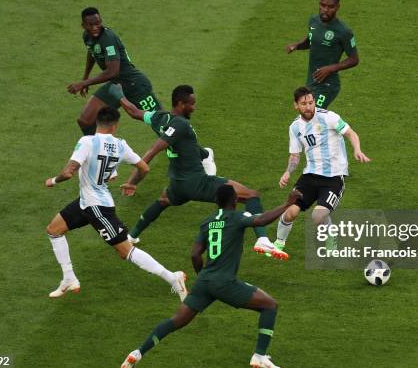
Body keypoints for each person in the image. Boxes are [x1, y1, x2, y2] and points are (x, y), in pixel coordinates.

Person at [119, 185, 302, 368]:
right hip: (224, 282)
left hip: (204, 281)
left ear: (216, 202)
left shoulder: (207, 222)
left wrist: (203, 278)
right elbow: (261, 219)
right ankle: (260, 355)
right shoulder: (237, 217)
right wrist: (287, 203)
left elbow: (195, 255)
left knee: (176, 321)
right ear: (235, 201)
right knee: (270, 305)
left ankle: (138, 352)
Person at [109, 84, 286, 260]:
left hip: (178, 184)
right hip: (198, 182)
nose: (194, 108)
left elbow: (133, 111)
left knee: (163, 200)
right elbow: (154, 150)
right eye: (191, 104)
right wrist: (133, 180)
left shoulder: (159, 118)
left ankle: (131, 236)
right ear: (180, 103)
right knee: (251, 195)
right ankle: (262, 239)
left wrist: (117, 92)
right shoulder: (180, 124)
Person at [44, 107, 187, 300]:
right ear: (115, 126)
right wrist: (132, 183)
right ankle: (69, 278)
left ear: (97, 121)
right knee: (54, 230)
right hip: (86, 203)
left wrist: (53, 180)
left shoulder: (87, 141)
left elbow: (69, 171)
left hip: (97, 208)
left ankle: (173, 278)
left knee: (125, 251)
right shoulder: (120, 145)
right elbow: (144, 168)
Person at [275, 86, 371, 252]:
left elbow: (351, 134)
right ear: (296, 105)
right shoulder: (295, 127)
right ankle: (278, 243)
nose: (308, 106)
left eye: (311, 102)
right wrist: (287, 172)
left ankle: (331, 238)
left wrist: (357, 149)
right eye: (304, 103)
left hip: (333, 178)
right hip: (309, 176)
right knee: (290, 212)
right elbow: (295, 155)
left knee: (318, 216)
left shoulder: (329, 117)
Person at [67, 7, 161, 135]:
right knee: (85, 121)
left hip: (134, 85)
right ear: (83, 25)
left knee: (161, 122)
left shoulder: (108, 39)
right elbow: (92, 52)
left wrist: (84, 83)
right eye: (91, 25)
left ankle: (190, 149)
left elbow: (113, 72)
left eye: (98, 23)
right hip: (116, 86)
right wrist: (85, 77)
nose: (95, 27)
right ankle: (99, 151)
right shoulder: (87, 37)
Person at [285, 0, 359, 109]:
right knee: (309, 117)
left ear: (337, 7)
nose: (325, 9)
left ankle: (343, 128)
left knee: (312, 113)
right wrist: (297, 45)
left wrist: (330, 68)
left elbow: (354, 59)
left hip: (328, 85)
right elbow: (311, 40)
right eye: (323, 5)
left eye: (330, 7)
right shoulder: (313, 21)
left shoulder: (344, 32)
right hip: (312, 80)